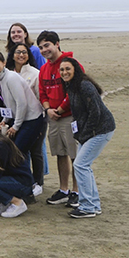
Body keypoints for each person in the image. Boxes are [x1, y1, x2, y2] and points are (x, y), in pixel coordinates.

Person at [61, 57, 116, 218]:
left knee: (80, 165)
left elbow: (96, 112)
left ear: (76, 70)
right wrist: (79, 133)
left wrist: (85, 134)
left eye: (68, 69)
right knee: (84, 166)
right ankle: (93, 204)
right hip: (88, 132)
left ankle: (88, 207)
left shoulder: (84, 85)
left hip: (101, 130)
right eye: (62, 70)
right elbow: (78, 113)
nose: (64, 72)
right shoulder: (70, 86)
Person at [0, 51, 46, 196]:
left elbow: (22, 103)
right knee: (18, 152)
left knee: (18, 151)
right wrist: (5, 120)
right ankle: (26, 183)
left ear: (4, 63)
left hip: (32, 118)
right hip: (19, 118)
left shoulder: (11, 77)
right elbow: (8, 102)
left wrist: (16, 126)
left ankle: (30, 185)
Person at [38, 30, 81, 207]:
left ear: (57, 44)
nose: (44, 50)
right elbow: (42, 92)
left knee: (75, 155)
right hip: (53, 117)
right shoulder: (44, 69)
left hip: (70, 116)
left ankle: (77, 191)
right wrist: (48, 109)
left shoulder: (70, 63)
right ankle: (64, 190)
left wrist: (61, 108)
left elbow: (75, 89)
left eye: (47, 45)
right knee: (60, 153)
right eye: (40, 47)